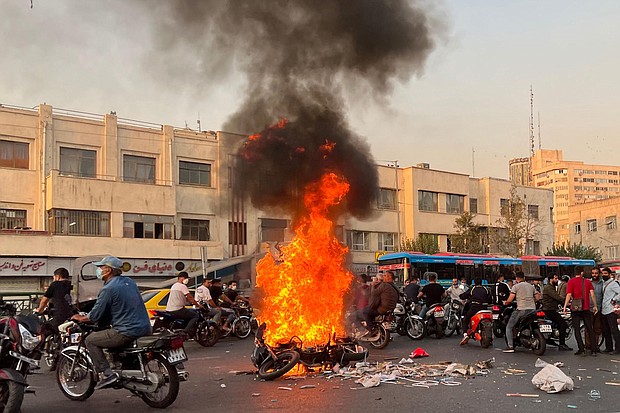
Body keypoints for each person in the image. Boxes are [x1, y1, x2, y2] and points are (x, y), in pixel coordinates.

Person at [71, 256, 151, 390]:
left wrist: (80, 318)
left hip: (126, 331)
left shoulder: (109, 288)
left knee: (90, 340)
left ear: (108, 270)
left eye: (101, 268)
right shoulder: (130, 282)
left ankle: (107, 374)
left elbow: (95, 315)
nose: (99, 270)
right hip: (145, 327)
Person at [563, 266, 598, 356]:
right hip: (586, 308)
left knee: (577, 329)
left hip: (575, 308)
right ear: (582, 273)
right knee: (590, 328)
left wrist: (565, 306)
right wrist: (595, 305)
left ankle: (581, 349)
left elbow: (569, 294)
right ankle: (593, 350)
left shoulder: (571, 282)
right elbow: (592, 295)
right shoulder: (587, 282)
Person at [502, 271, 540, 353]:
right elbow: (537, 297)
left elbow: (510, 298)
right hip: (533, 309)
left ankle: (510, 346)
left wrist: (506, 302)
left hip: (522, 310)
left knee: (509, 326)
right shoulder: (531, 286)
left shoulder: (516, 287)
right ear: (524, 278)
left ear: (517, 279)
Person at [361, 271, 399, 336]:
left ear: (389, 277)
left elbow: (374, 293)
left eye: (384, 275)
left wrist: (372, 285)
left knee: (365, 312)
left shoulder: (384, 285)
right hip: (391, 308)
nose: (383, 277)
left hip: (382, 309)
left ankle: (372, 329)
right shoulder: (394, 286)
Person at [541, 274, 572, 351]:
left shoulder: (552, 287)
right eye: (555, 278)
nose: (557, 280)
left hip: (551, 308)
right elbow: (557, 297)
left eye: (557, 278)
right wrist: (567, 302)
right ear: (550, 279)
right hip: (549, 310)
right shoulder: (548, 288)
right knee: (562, 324)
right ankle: (562, 344)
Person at [459, 276, 492, 345]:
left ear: (474, 283)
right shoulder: (486, 289)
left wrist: (461, 296)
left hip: (475, 307)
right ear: (481, 283)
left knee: (465, 319)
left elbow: (464, 295)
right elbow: (490, 299)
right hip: (484, 307)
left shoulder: (472, 289)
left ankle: (465, 335)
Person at [600, 267, 620, 354]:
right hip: (604, 309)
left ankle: (618, 348)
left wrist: (614, 299)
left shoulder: (613, 283)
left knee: (614, 330)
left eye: (605, 273)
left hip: (611, 310)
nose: (604, 275)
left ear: (609, 274)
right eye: (603, 273)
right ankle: (609, 347)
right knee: (606, 330)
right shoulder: (603, 283)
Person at [586, 267, 604, 352]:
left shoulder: (602, 283)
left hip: (599, 308)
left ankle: (596, 345)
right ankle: (588, 345)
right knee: (588, 328)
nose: (594, 275)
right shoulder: (588, 283)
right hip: (589, 308)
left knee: (597, 329)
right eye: (593, 273)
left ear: (599, 274)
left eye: (596, 273)